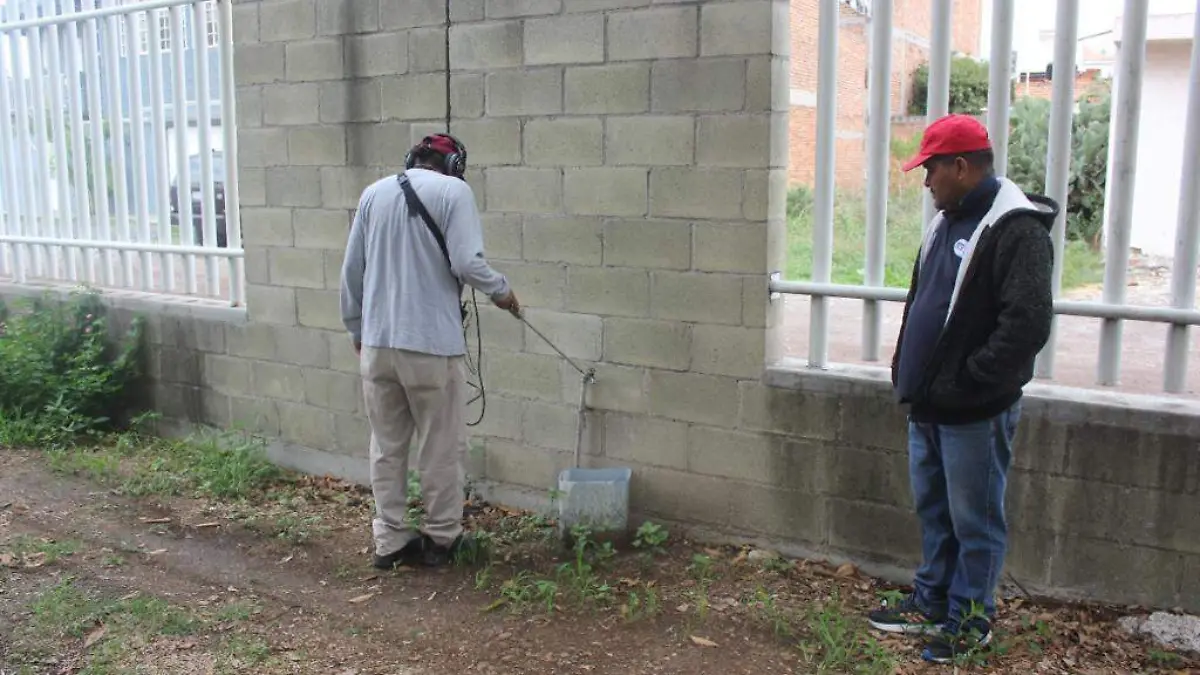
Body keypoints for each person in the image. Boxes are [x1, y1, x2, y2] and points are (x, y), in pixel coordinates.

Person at [865, 114, 1056, 663]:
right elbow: (927, 300)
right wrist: (909, 364)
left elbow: (1026, 324)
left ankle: (971, 618)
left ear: (961, 166)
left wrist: (970, 378)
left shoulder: (1015, 229)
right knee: (935, 509)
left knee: (975, 519)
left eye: (931, 170)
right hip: (928, 402)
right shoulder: (947, 219)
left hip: (972, 408)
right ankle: (933, 599)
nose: (925, 182)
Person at [340, 133, 519, 570]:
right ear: (453, 164)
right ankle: (442, 538)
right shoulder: (455, 192)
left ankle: (391, 540)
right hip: (431, 346)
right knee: (440, 446)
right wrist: (504, 293)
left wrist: (356, 329)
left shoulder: (373, 193)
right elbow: (467, 263)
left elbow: (352, 271)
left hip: (378, 344)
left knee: (386, 445)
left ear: (413, 159)